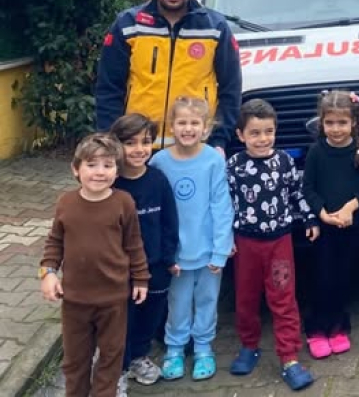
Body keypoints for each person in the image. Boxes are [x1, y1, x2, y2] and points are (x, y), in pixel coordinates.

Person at [95, 0, 242, 155]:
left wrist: (219, 140)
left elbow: (231, 90)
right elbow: (109, 89)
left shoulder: (215, 27)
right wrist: (111, 141)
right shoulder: (128, 25)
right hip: (139, 150)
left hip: (195, 149)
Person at [40, 134, 150, 397]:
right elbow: (54, 242)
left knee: (111, 357)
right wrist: (48, 273)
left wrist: (141, 278)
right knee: (75, 359)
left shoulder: (124, 202)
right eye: (92, 165)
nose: (100, 172)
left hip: (113, 299)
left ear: (117, 171)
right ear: (76, 169)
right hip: (75, 300)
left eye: (108, 165)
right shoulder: (66, 202)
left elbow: (134, 244)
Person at [227, 99, 318, 392]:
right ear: (240, 135)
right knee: (246, 298)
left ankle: (289, 357)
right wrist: (224, 238)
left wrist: (310, 219)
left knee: (283, 298)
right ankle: (249, 345)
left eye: (268, 131)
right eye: (254, 133)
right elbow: (225, 204)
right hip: (245, 244)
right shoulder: (234, 166)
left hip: (279, 244)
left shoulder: (284, 162)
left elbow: (297, 193)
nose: (262, 139)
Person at [150, 97, 234, 382]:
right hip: (176, 254)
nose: (188, 129)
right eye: (182, 122)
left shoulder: (213, 160)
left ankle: (203, 347)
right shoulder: (160, 162)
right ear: (171, 126)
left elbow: (221, 206)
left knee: (207, 300)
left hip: (209, 250)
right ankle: (175, 348)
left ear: (206, 127)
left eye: (194, 123)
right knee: (178, 301)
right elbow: (157, 211)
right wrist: (164, 253)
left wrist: (221, 249)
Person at [302, 90, 359, 358]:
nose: (336, 129)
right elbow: (308, 187)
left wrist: (349, 208)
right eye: (330, 123)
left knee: (343, 278)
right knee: (322, 277)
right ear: (321, 123)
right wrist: (322, 213)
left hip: (350, 227)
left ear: (353, 122)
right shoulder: (316, 152)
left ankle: (338, 327)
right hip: (324, 229)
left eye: (342, 123)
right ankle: (316, 329)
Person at [110, 113, 179, 388]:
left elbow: (170, 222)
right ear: (117, 145)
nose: (139, 149)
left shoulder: (158, 180)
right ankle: (118, 369)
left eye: (146, 141)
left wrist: (168, 258)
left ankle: (139, 357)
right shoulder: (111, 184)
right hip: (122, 270)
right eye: (130, 143)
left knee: (151, 315)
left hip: (156, 266)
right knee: (122, 321)